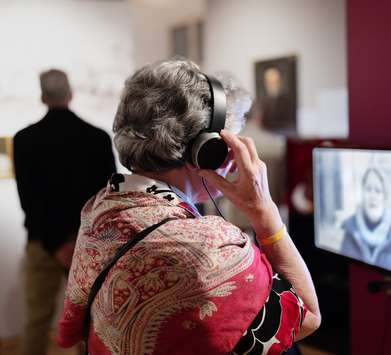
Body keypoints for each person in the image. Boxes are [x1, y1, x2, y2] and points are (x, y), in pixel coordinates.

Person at [57, 59, 320, 355]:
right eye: (227, 142)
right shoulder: (207, 248)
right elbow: (307, 317)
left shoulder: (100, 210)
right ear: (206, 151)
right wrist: (266, 214)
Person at [13, 69, 116, 355]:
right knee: (88, 322)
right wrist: (76, 242)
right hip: (88, 245)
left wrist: (55, 242)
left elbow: (29, 201)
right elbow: (104, 199)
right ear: (71, 94)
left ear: (42, 96)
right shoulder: (97, 138)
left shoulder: (24, 140)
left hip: (43, 243)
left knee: (37, 320)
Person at [220, 101, 286, 232]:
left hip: (238, 219)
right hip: (271, 218)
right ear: (259, 116)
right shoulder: (278, 143)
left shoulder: (230, 142)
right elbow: (282, 184)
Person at [340, 167, 391, 276]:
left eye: (378, 191)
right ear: (362, 193)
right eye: (368, 189)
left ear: (385, 196)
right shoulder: (350, 232)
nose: (372, 196)